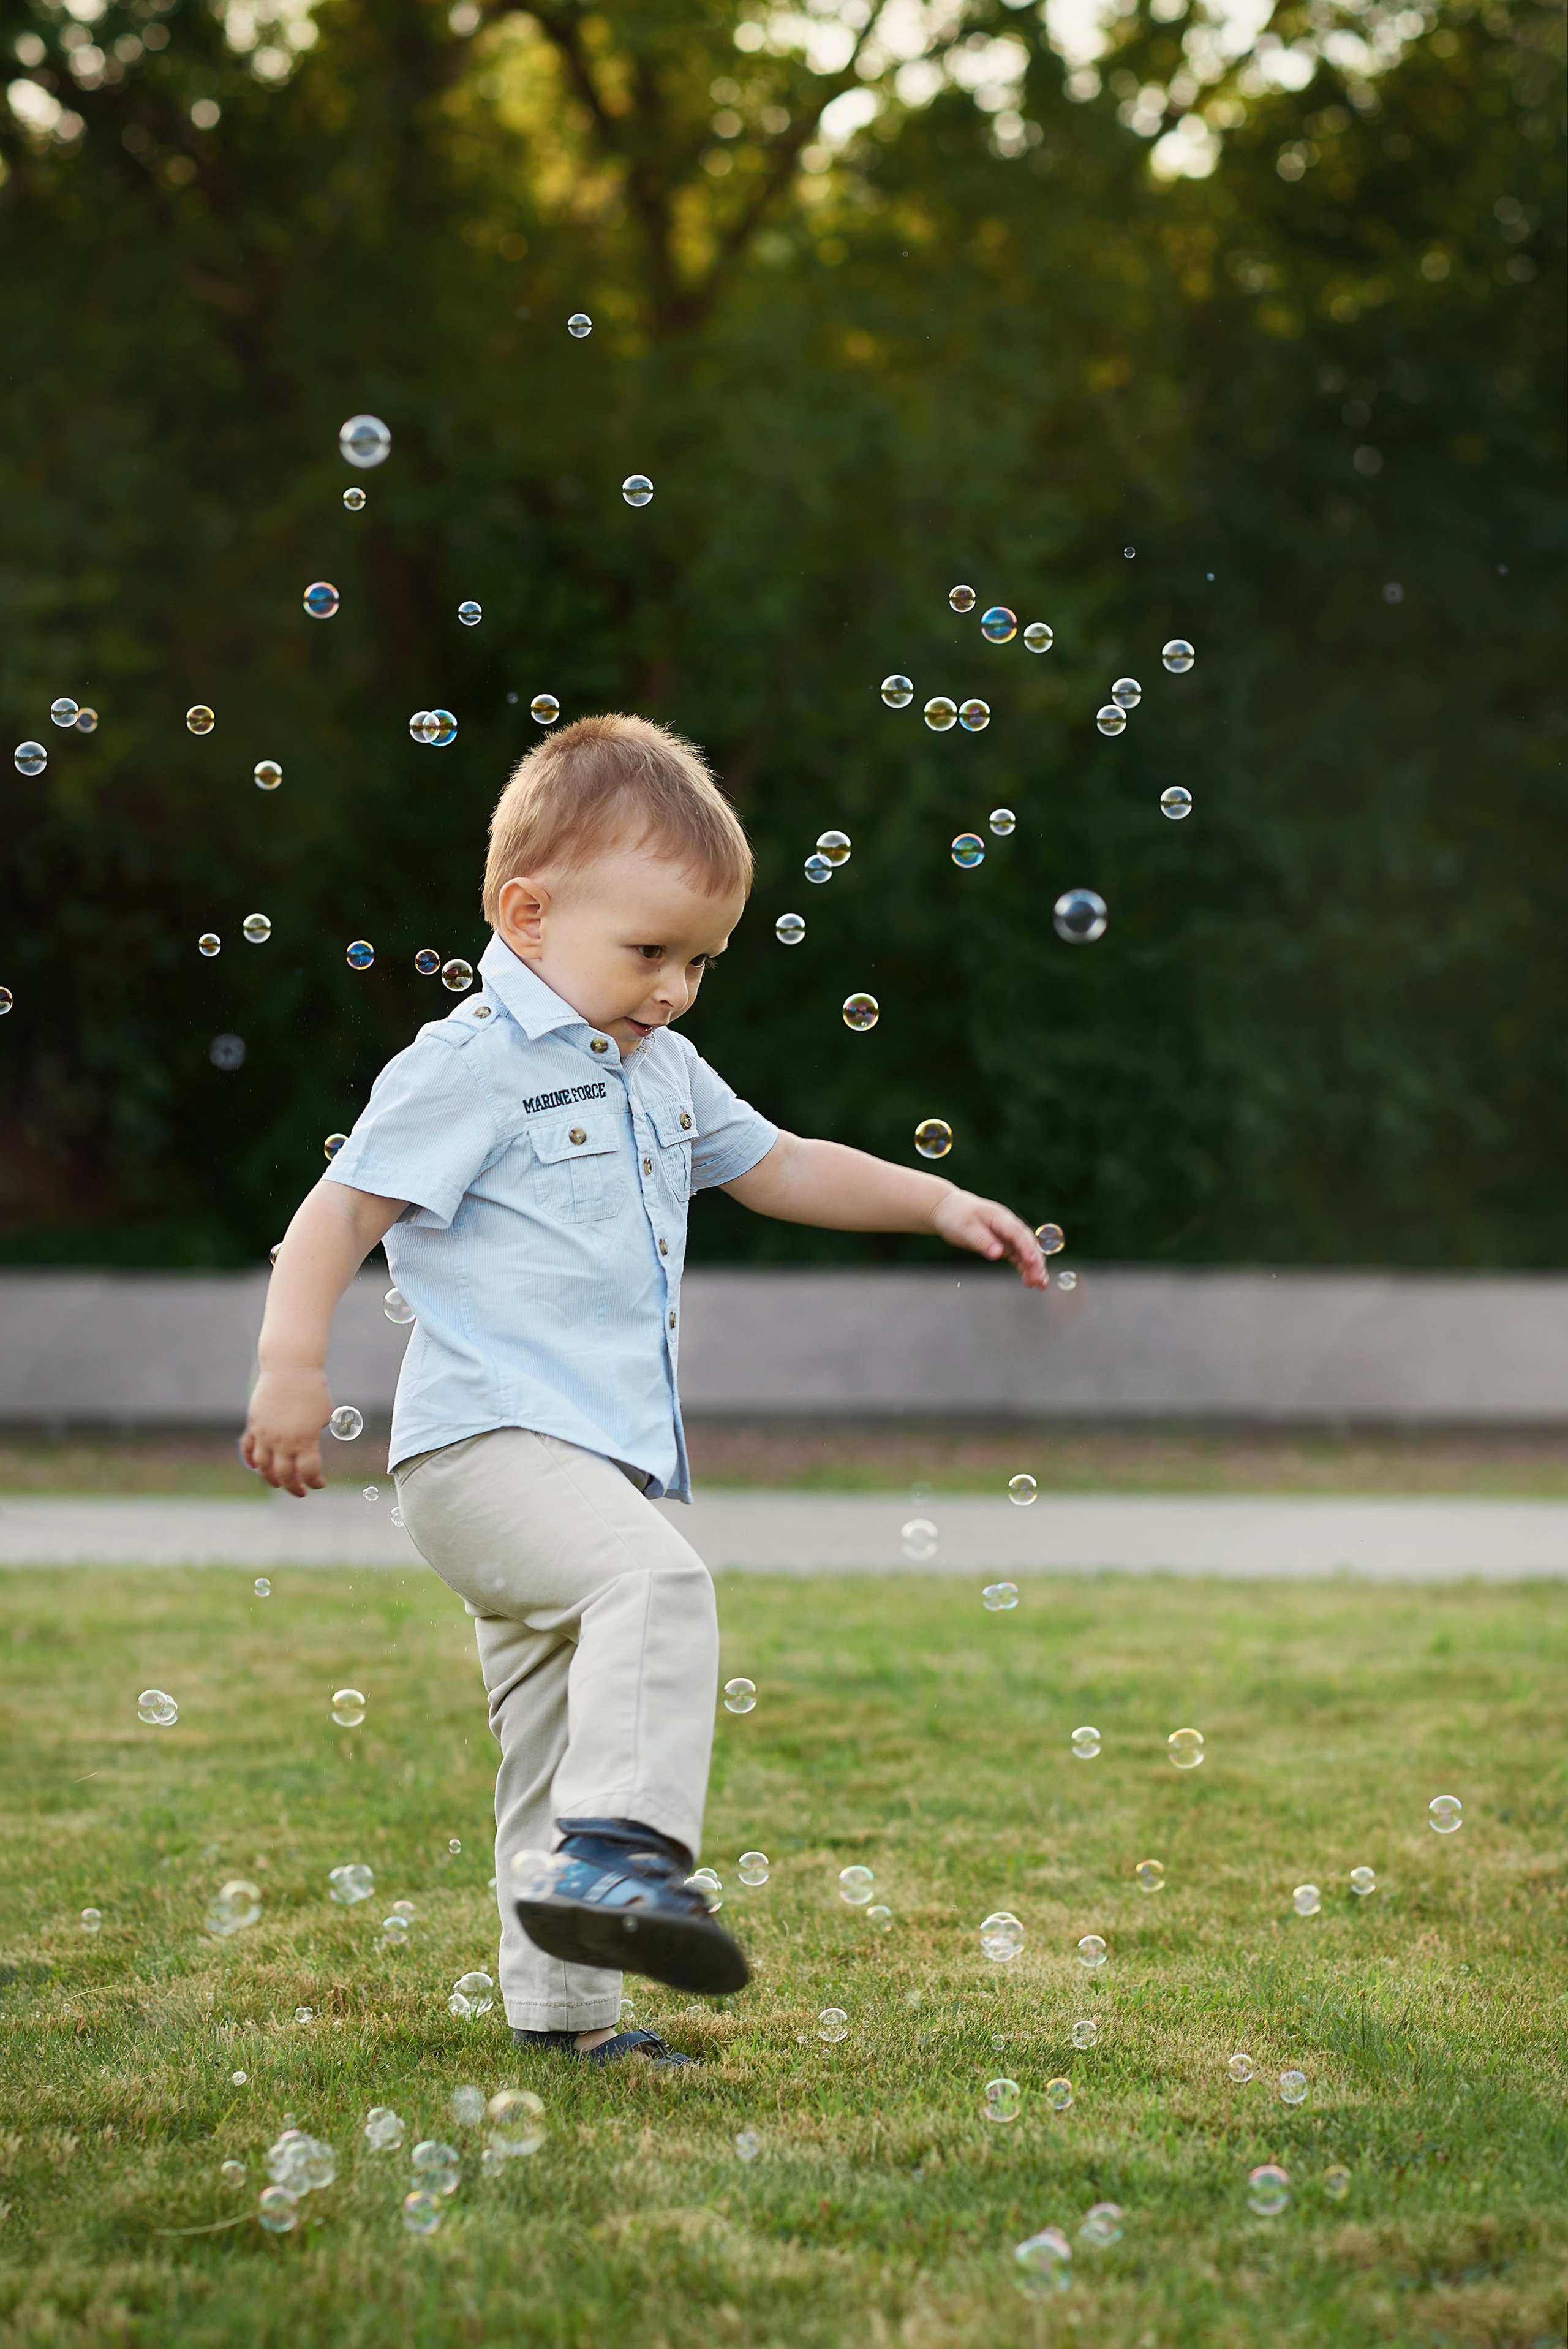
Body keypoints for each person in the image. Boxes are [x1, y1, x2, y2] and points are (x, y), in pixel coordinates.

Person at [243, 713, 1046, 2068]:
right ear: (527, 910)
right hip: (481, 1450)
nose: (673, 987)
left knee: (553, 1740)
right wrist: (289, 1368)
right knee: (656, 1588)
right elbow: (337, 1216)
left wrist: (934, 1201)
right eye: (647, 952)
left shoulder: (656, 1068)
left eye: (699, 962)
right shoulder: (472, 1062)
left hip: (580, 1467)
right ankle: (626, 1857)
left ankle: (566, 2020)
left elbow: (779, 1164)